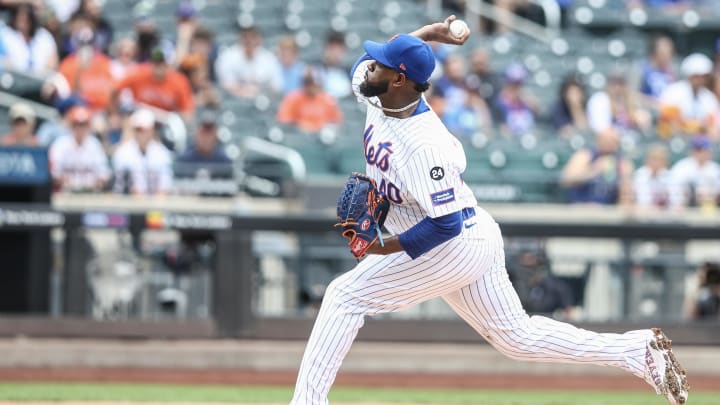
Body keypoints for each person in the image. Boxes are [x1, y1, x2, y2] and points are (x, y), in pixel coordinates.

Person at [289, 16, 689, 405]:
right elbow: (369, 66)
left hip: (452, 243)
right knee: (518, 339)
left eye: (382, 63)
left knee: (344, 295)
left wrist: (380, 249)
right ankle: (637, 351)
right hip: (472, 231)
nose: (369, 66)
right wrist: (426, 34)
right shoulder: (380, 92)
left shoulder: (426, 146)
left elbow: (442, 227)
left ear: (399, 80)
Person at [112, 47, 195, 123]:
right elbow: (115, 89)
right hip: (141, 118)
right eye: (156, 63)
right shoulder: (140, 73)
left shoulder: (179, 81)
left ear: (168, 65)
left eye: (161, 63)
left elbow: (188, 112)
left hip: (166, 121)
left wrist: (178, 121)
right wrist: (114, 114)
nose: (158, 67)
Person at [560, 127, 634, 205]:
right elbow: (566, 180)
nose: (609, 144)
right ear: (599, 140)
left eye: (613, 141)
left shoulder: (622, 163)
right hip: (580, 206)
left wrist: (624, 184)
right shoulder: (585, 156)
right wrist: (593, 171)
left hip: (607, 210)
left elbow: (626, 194)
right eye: (606, 140)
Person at [48, 105, 111, 192]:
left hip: (91, 194)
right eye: (76, 124)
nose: (80, 128)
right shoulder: (60, 144)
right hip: (65, 193)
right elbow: (53, 173)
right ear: (71, 125)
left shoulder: (94, 144)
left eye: (83, 124)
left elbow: (104, 173)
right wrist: (65, 182)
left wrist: (94, 183)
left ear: (88, 126)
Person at [112, 108, 173, 195]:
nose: (141, 133)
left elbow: (165, 187)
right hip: (128, 204)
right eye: (138, 129)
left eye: (144, 130)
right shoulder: (123, 152)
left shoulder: (162, 153)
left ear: (151, 130)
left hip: (156, 205)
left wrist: (154, 205)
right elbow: (120, 186)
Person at [658, 53, 718, 138]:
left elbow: (712, 127)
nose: (700, 79)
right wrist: (694, 125)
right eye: (696, 76)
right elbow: (668, 122)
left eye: (704, 76)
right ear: (689, 75)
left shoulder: (709, 98)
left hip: (701, 143)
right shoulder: (674, 91)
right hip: (675, 140)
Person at [214, 25, 282, 99]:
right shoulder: (227, 56)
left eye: (253, 37)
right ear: (240, 39)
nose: (250, 41)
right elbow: (225, 84)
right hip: (235, 99)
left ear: (259, 39)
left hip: (263, 98)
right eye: (246, 37)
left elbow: (276, 86)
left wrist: (258, 90)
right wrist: (245, 90)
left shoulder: (269, 58)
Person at [276, 67, 343, 134]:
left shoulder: (327, 99)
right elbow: (284, 119)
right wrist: (297, 126)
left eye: (315, 83)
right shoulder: (293, 97)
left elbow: (336, 121)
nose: (312, 86)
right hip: (298, 135)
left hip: (321, 135)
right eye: (309, 83)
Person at [0, 4, 58, 75]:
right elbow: (5, 61)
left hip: (41, 79)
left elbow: (52, 62)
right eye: (20, 19)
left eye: (26, 20)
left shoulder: (44, 36)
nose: (23, 24)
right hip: (14, 78)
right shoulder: (7, 34)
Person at [668, 135, 720, 209]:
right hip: (685, 208)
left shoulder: (715, 169)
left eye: (704, 150)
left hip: (709, 209)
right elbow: (673, 191)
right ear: (692, 151)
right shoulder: (681, 167)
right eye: (698, 150)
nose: (701, 153)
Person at [639, 35, 677, 102]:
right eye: (663, 54)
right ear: (654, 53)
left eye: (670, 53)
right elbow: (633, 95)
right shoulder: (642, 70)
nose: (668, 57)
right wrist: (654, 102)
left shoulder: (672, 72)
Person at [634, 143, 672, 209]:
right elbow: (643, 202)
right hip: (642, 215)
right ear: (646, 160)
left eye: (660, 159)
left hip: (666, 215)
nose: (656, 163)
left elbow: (675, 203)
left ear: (666, 162)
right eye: (653, 159)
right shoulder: (640, 175)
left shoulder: (670, 177)